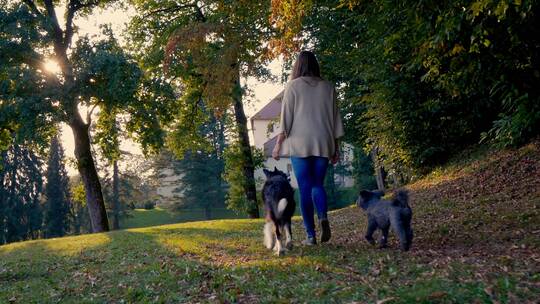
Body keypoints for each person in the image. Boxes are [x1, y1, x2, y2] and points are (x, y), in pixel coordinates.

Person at [272, 50, 344, 245]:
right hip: (323, 142)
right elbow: (335, 118)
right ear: (315, 65)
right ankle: (323, 217)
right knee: (317, 184)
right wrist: (335, 147)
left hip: (299, 142)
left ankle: (310, 236)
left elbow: (285, 119)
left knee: (304, 188)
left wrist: (278, 145)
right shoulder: (328, 87)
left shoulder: (293, 87)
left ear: (298, 66)